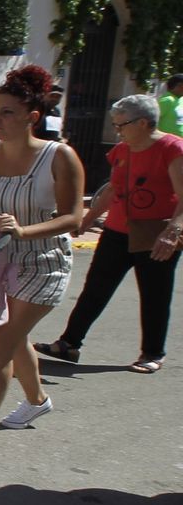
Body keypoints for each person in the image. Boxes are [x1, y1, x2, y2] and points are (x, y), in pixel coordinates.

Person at [0, 64, 84, 465]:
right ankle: (37, 400)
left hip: (42, 262)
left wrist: (24, 232)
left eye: (7, 112)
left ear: (32, 117)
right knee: (13, 335)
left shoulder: (59, 157)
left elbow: (74, 218)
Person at [36, 94, 183, 374]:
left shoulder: (172, 149)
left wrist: (173, 230)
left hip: (155, 233)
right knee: (95, 289)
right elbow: (111, 191)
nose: (117, 131)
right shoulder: (122, 151)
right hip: (117, 231)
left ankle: (153, 352)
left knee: (154, 294)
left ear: (143, 123)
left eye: (121, 125)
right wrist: (85, 219)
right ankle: (68, 343)